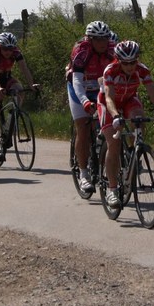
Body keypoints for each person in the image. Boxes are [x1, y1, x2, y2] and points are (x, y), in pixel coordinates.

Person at [98, 40, 154, 207]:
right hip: (108, 104)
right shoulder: (110, 70)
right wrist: (116, 115)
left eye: (133, 62)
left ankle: (133, 152)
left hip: (129, 99)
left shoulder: (142, 70)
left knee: (139, 118)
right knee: (114, 144)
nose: (130, 66)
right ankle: (112, 190)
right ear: (118, 60)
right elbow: (109, 98)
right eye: (125, 63)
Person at [67, 20, 115, 193]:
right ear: (90, 39)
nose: (102, 43)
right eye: (97, 39)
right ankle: (84, 174)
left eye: (105, 39)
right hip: (79, 88)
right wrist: (85, 101)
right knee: (83, 127)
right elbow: (77, 81)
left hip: (100, 88)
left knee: (109, 125)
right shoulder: (82, 51)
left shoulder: (112, 50)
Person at [0, 31, 38, 163]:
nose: (8, 52)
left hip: (6, 78)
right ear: (0, 47)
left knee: (20, 90)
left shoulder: (16, 53)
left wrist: (32, 84)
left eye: (10, 49)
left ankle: (11, 117)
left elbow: (24, 69)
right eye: (5, 49)